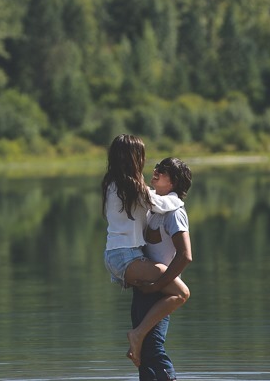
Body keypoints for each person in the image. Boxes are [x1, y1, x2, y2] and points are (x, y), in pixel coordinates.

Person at [102, 135, 191, 368]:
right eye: (141, 155)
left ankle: (139, 342)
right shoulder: (131, 185)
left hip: (123, 257)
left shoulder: (114, 182)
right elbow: (160, 204)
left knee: (153, 343)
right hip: (126, 257)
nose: (146, 162)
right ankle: (137, 334)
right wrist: (177, 197)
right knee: (182, 293)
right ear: (133, 157)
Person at [131, 157, 193, 381]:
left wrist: (158, 285)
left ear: (174, 182)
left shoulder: (175, 213)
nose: (156, 171)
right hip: (144, 290)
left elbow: (185, 256)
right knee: (143, 357)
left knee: (153, 349)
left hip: (160, 291)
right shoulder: (153, 210)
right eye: (157, 167)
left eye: (164, 171)